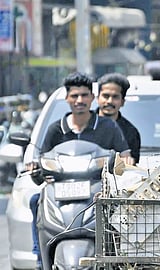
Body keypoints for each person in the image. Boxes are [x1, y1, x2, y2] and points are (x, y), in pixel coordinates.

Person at [29, 72, 133, 269]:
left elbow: (126, 157)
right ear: (67, 98)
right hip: (60, 191)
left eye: (85, 95)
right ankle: (39, 256)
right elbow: (42, 164)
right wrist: (35, 169)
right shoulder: (55, 129)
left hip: (99, 191)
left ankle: (122, 257)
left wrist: (121, 165)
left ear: (92, 98)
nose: (80, 100)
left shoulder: (108, 127)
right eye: (75, 96)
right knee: (35, 200)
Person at [97, 72, 141, 164]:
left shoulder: (130, 132)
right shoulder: (82, 123)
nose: (109, 101)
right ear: (97, 98)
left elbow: (130, 169)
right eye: (105, 96)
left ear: (122, 102)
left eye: (115, 97)